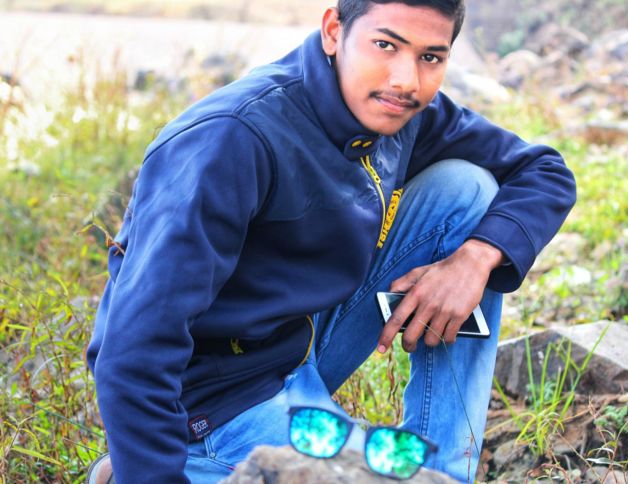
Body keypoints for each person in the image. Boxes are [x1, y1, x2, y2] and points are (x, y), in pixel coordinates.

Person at [86, 0, 576, 482]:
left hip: (297, 349)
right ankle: (184, 464)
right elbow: (133, 351)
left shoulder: (401, 112)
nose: (406, 80)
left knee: (466, 190)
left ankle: (445, 472)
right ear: (333, 31)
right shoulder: (232, 139)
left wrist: (475, 258)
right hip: (217, 400)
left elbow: (544, 170)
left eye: (430, 56)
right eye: (385, 45)